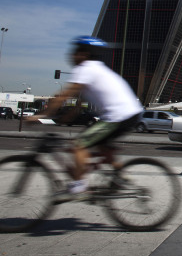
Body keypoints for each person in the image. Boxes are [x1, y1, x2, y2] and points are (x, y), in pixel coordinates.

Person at [28, 36, 143, 202]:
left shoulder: (86, 69)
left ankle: (78, 186)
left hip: (117, 117)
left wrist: (42, 115)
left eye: (75, 52)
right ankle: (122, 178)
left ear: (84, 54)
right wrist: (65, 118)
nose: (71, 55)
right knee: (102, 146)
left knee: (79, 145)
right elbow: (79, 102)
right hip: (130, 114)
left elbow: (64, 95)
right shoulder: (98, 70)